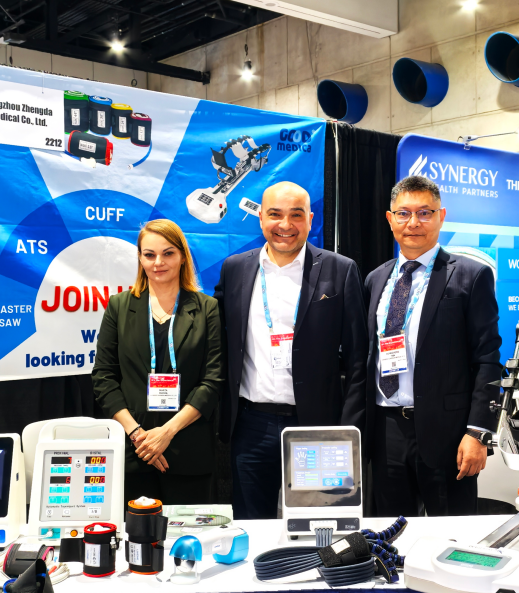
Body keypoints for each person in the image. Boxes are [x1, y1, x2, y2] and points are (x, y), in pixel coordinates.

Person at [214, 181, 369, 519]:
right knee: (252, 525)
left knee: (319, 527)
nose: (285, 225)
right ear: (260, 218)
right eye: (275, 214)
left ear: (310, 220)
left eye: (296, 215)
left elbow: (359, 359)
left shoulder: (340, 270)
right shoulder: (235, 269)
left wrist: (347, 432)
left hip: (317, 426)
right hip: (251, 427)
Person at [364, 175, 502, 517]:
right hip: (386, 431)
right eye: (403, 213)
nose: (413, 223)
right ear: (390, 219)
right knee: (391, 533)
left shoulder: (471, 275)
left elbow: (487, 359)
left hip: (448, 434)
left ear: (441, 216)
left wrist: (478, 433)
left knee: (451, 536)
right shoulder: (375, 279)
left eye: (424, 213)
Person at [92, 219, 224, 505]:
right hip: (135, 451)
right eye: (149, 254)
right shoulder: (119, 306)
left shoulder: (207, 308)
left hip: (188, 448)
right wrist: (138, 435)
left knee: (187, 533)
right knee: (138, 533)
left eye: (168, 253)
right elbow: (104, 377)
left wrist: (166, 432)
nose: (158, 262)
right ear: (140, 258)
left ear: (183, 257)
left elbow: (212, 381)